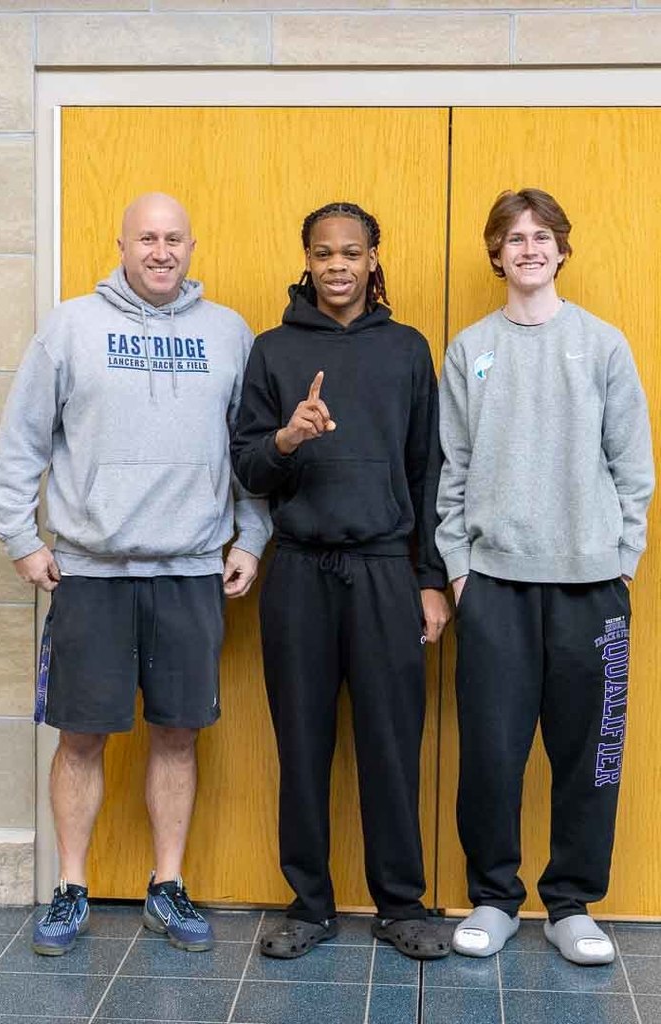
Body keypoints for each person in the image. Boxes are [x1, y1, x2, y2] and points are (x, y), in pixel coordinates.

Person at [0, 192, 271, 956]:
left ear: (192, 246)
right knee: (81, 737)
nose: (160, 250)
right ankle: (71, 888)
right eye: (146, 237)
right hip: (91, 572)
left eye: (174, 238)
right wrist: (20, 537)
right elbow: (20, 446)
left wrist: (250, 537)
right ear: (120, 244)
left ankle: (166, 886)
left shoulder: (228, 333)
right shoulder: (72, 327)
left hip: (191, 571)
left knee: (177, 735)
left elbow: (250, 453)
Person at [436, 188, 654, 965]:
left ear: (562, 249)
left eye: (541, 236)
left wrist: (620, 559)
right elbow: (451, 474)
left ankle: (570, 904)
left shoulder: (601, 345)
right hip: (493, 584)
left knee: (589, 751)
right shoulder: (469, 349)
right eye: (512, 237)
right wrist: (460, 571)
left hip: (591, 589)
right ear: (494, 253)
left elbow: (634, 468)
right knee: (490, 753)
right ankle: (494, 897)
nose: (527, 248)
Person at [232, 201, 451, 961]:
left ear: (371, 259)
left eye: (350, 253)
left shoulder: (406, 350)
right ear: (306, 259)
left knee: (392, 742)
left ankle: (401, 904)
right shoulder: (272, 351)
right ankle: (309, 904)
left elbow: (429, 473)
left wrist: (430, 579)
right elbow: (249, 466)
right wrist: (288, 437)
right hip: (298, 574)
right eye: (322, 253)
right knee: (302, 741)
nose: (336, 266)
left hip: (387, 571)